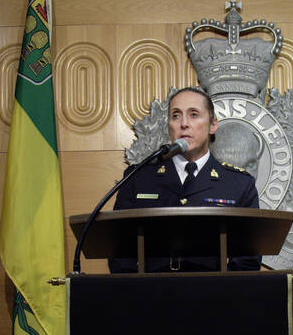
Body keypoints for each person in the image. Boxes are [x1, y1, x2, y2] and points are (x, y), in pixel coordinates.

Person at [110, 86, 260, 272]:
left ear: (213, 125)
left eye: (194, 114)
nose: (184, 124)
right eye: (176, 116)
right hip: (150, 294)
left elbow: (247, 261)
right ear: (169, 126)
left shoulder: (239, 184)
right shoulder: (138, 178)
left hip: (214, 294)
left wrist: (223, 292)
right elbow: (120, 252)